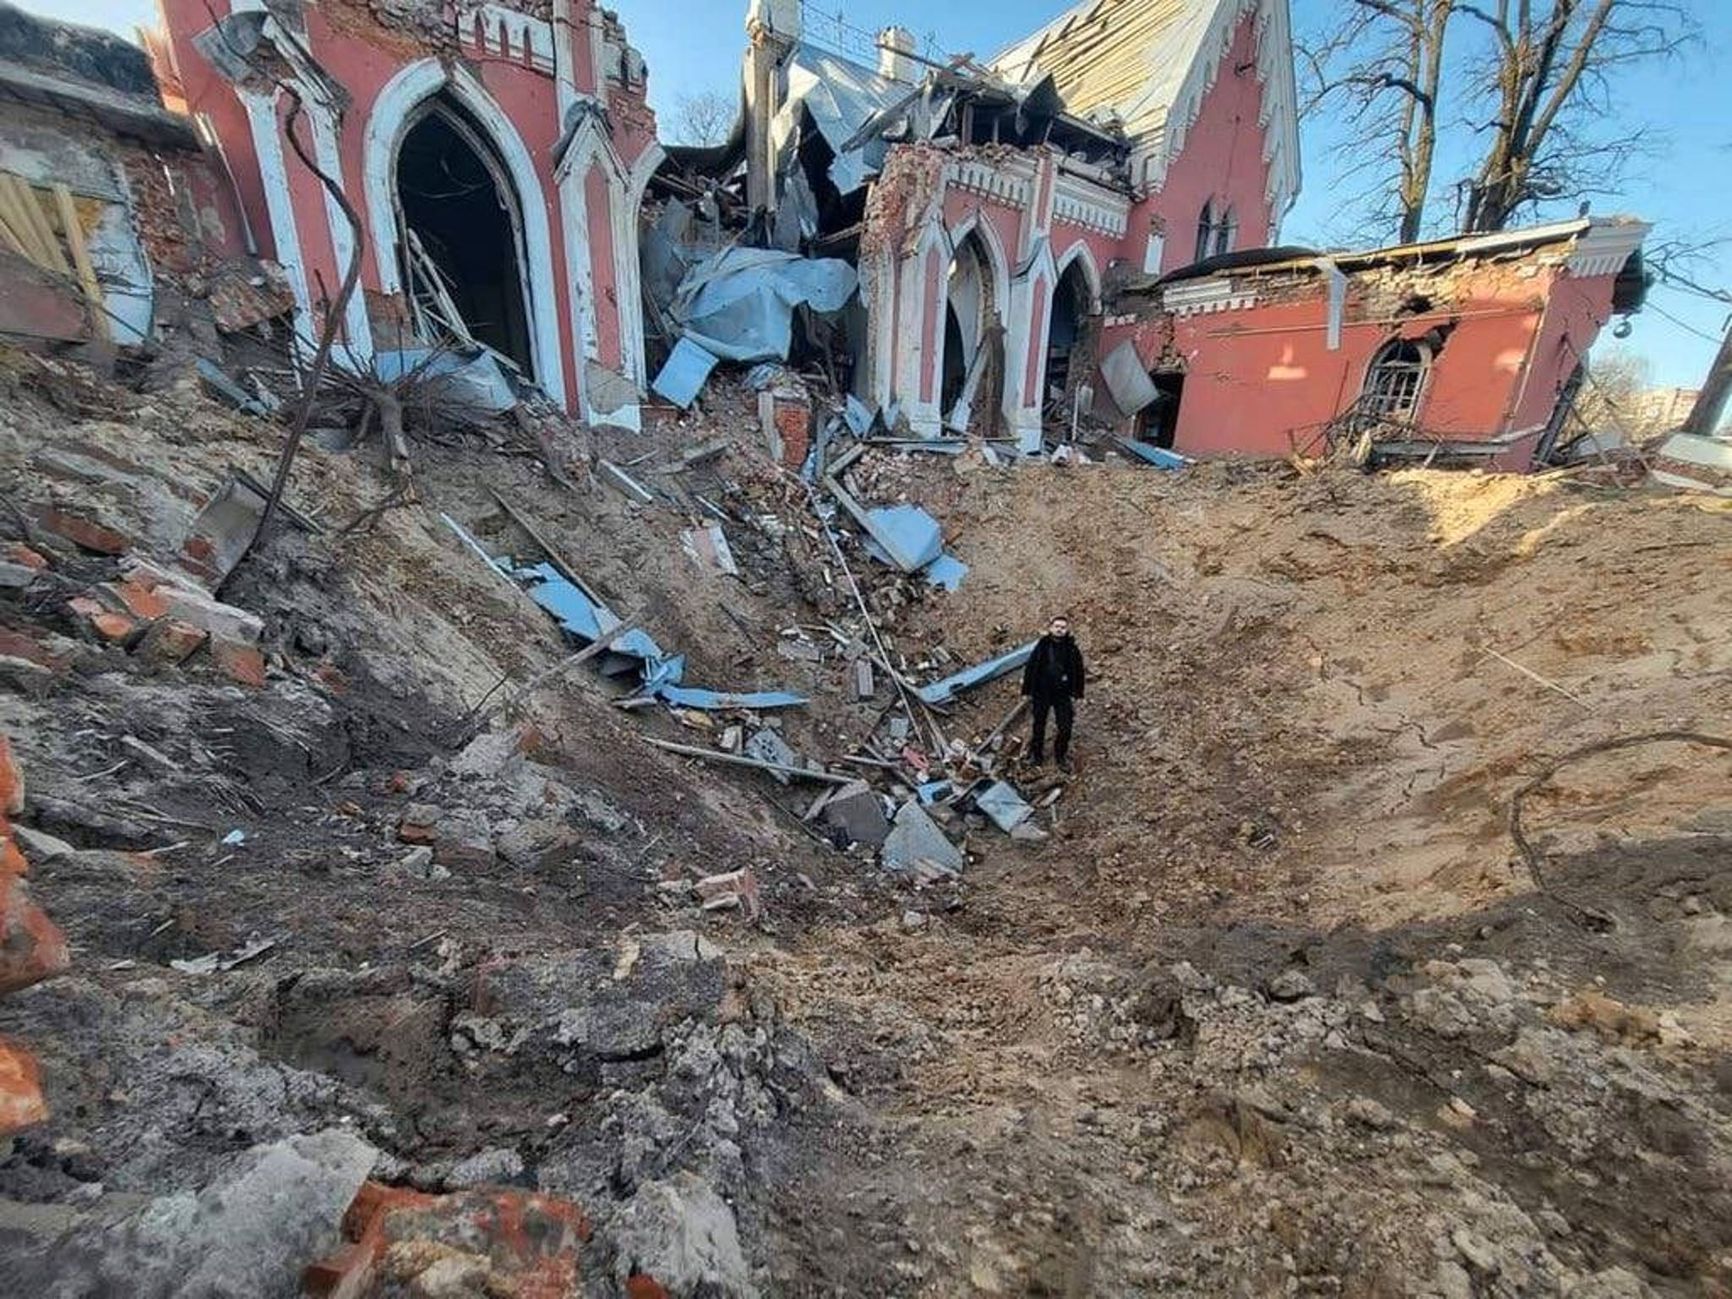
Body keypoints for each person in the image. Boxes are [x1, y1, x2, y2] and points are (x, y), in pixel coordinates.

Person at [1021, 615, 1085, 770]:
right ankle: (1037, 756)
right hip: (1042, 692)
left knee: (1065, 727)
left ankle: (1060, 756)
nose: (1059, 629)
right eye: (1057, 626)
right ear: (1051, 628)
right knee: (1039, 726)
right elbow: (1031, 668)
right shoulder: (1042, 646)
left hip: (1062, 694)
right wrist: (1027, 690)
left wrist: (1078, 693)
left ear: (1067, 630)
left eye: (1063, 627)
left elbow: (1079, 671)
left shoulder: (1072, 648)